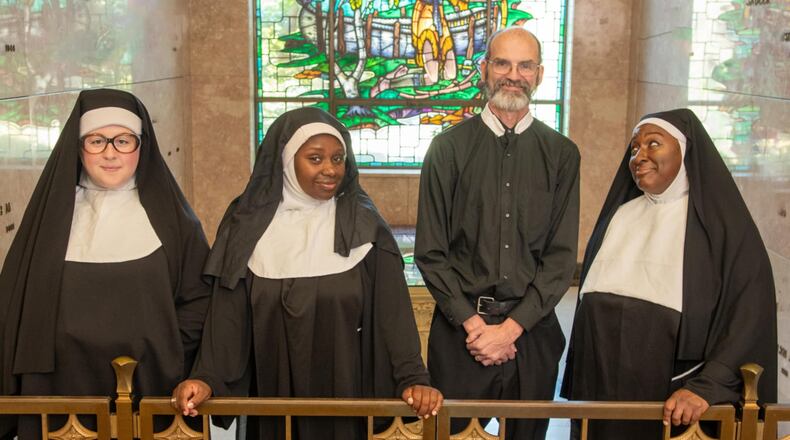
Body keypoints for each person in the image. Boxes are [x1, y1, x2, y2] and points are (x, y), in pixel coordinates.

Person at [171, 107, 443, 440]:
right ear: (286, 161)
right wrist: (206, 377)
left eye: (338, 158)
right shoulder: (245, 228)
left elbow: (393, 317)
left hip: (347, 397)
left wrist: (412, 378)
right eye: (315, 159)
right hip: (271, 397)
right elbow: (228, 318)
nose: (331, 169)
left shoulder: (365, 227)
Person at [0, 88, 212, 439]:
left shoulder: (176, 223)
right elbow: (16, 305)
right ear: (78, 147)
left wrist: (167, 347)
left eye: (123, 141)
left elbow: (200, 300)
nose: (110, 153)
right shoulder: (48, 222)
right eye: (96, 141)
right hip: (60, 383)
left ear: (141, 146)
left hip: (152, 381)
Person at [561, 108, 777, 439]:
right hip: (600, 393)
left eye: (653, 144)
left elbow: (749, 317)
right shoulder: (619, 216)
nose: (639, 157)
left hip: (674, 400)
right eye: (634, 148)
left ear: (686, 150)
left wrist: (707, 386)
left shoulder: (720, 228)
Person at [415, 27, 580, 439]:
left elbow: (560, 258)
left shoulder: (562, 154)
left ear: (539, 74)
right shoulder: (447, 149)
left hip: (532, 335)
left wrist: (510, 329)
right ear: (484, 70)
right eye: (503, 63)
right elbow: (431, 253)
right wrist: (475, 326)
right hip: (461, 337)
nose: (513, 75)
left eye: (525, 66)